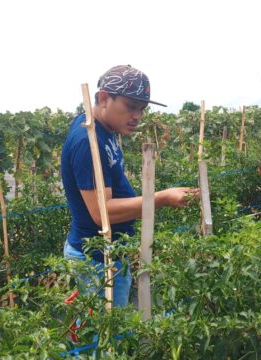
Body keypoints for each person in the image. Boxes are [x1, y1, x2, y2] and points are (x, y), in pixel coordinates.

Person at [61, 65, 198, 308]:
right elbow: (100, 213)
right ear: (104, 98)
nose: (137, 116)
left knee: (109, 335)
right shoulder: (87, 140)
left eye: (142, 109)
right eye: (130, 107)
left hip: (109, 255)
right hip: (95, 259)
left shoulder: (104, 129)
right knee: (102, 341)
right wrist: (162, 198)